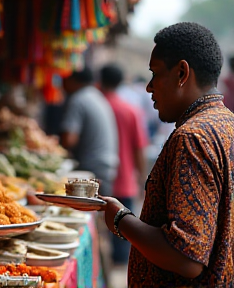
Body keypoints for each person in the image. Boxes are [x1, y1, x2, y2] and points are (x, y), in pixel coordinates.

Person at [75, 22, 234, 287]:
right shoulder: (226, 123)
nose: (149, 87)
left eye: (155, 73)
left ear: (182, 73)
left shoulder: (192, 138)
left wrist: (120, 218)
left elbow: (187, 258)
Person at [98, 63, 148, 265]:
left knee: (99, 237)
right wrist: (142, 179)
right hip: (125, 181)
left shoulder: (99, 106)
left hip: (99, 180)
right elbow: (139, 148)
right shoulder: (131, 110)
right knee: (122, 239)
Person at [59, 66, 119, 197]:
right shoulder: (96, 96)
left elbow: (69, 140)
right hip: (105, 167)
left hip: (92, 169)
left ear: (73, 80)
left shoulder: (78, 99)